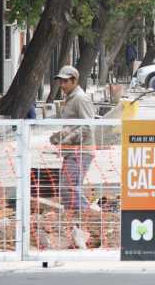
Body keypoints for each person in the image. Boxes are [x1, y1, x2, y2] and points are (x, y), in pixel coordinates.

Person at [49, 65, 97, 212]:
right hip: (72, 151)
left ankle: (87, 218)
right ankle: (77, 220)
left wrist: (67, 139)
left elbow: (88, 126)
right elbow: (74, 125)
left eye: (65, 82)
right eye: (60, 82)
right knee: (66, 188)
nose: (62, 85)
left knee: (69, 188)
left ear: (74, 80)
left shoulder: (80, 98)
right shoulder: (71, 98)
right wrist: (59, 136)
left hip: (81, 151)